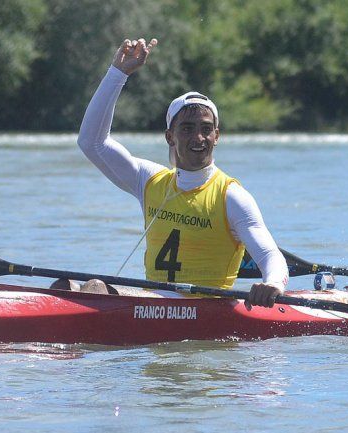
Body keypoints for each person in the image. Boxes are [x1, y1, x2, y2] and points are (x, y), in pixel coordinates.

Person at [56, 38, 288, 309]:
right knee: (67, 287)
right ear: (170, 136)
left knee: (94, 289)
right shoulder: (150, 180)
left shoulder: (231, 197)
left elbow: (270, 254)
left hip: (205, 310)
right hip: (151, 305)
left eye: (205, 129)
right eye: (187, 128)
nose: (198, 137)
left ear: (217, 136)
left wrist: (272, 283)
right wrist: (118, 73)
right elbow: (91, 142)